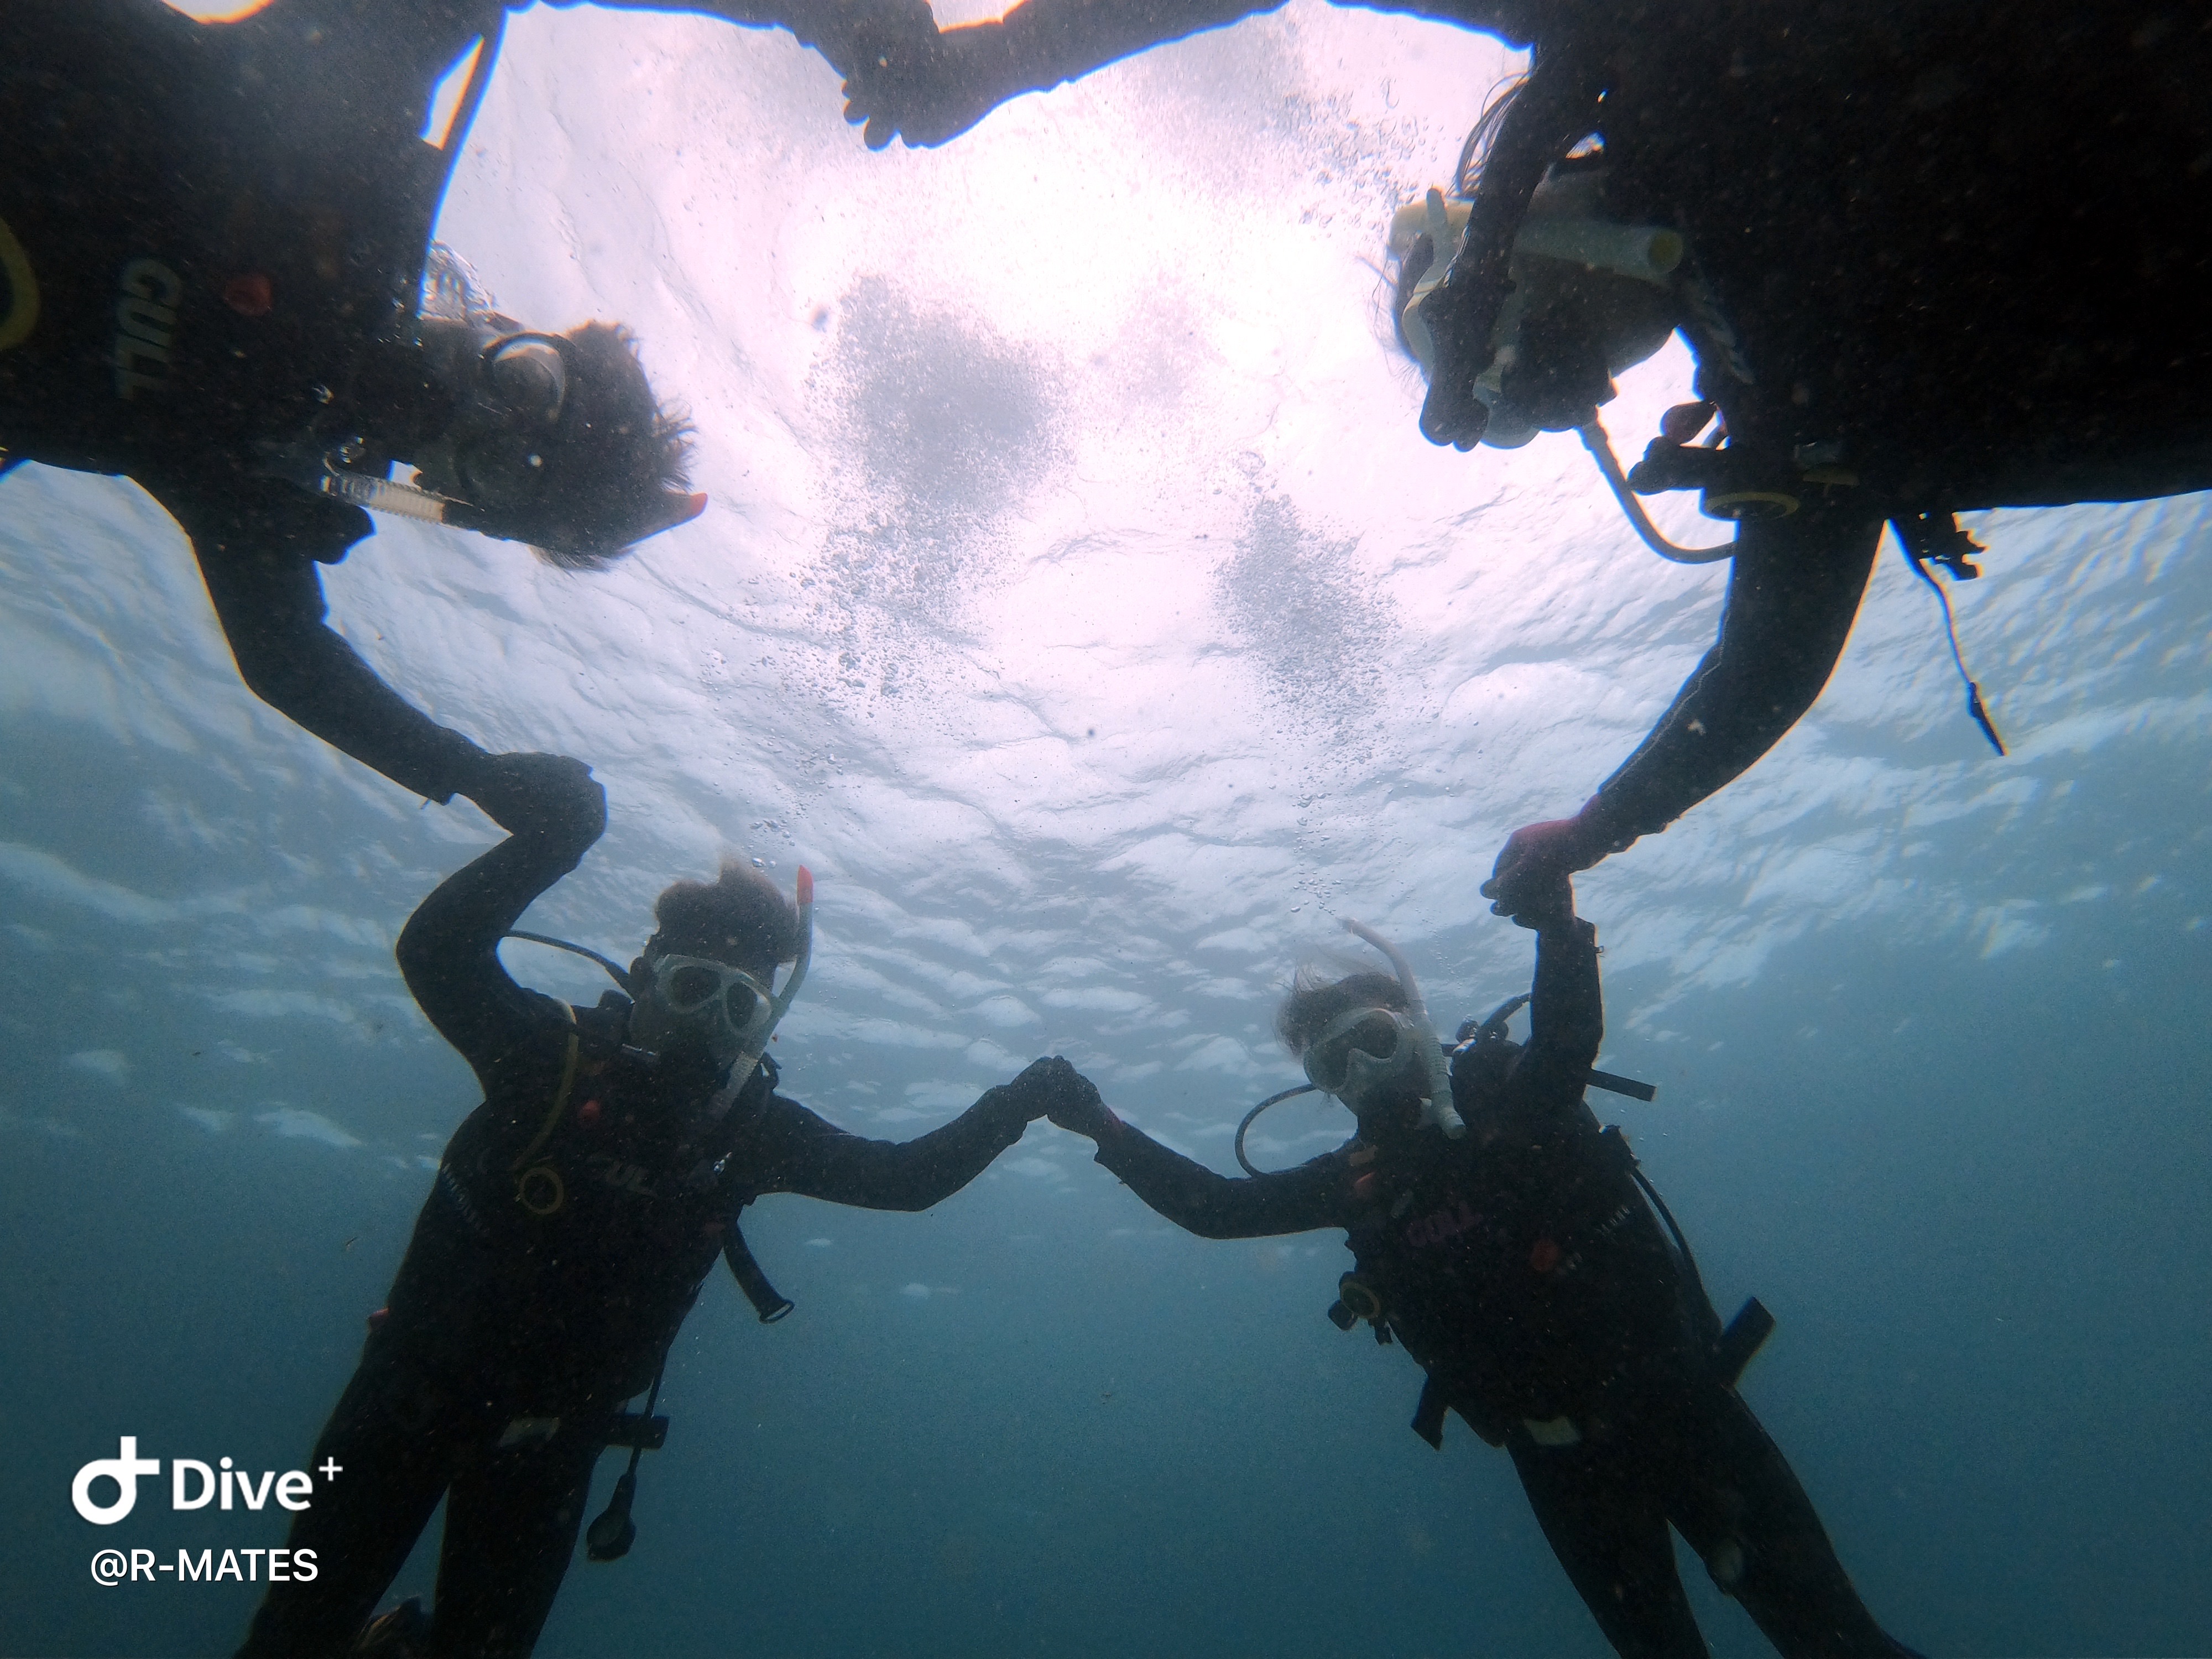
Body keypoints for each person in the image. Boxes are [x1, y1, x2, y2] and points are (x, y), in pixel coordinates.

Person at [830, 0, 2212, 914]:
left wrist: (992, 62)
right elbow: (1764, 670)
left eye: (1462, 334)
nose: (1505, 378)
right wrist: (1592, 828)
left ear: (1500, 216)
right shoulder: (1790, 426)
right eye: (1487, 390)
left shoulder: (1667, 47)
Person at [1, 0, 937, 828]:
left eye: (491, 461)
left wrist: (470, 775)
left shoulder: (251, 462)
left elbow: (286, 660)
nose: (462, 412)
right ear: (511, 324)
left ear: (452, 499)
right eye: (527, 386)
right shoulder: (340, 143)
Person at [236, 751, 1089, 1656]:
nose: (704, 1026)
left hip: (549, 1451)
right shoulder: (545, 1063)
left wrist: (1022, 1099)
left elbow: (903, 1180)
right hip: (401, 1412)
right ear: (644, 977)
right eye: (688, 989)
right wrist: (556, 840)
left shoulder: (747, 1131)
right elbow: (435, 952)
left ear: (762, 1025)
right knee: (291, 1641)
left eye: (736, 1008)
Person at [1036, 877, 1920, 1658]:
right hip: (1564, 1474)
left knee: (1843, 1646)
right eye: (1334, 1063)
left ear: (1415, 1029)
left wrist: (1556, 920)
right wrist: (1099, 1125)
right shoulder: (1360, 1185)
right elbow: (1216, 1211)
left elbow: (1569, 1039)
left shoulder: (1512, 1098)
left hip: (1685, 1411)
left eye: (1374, 1040)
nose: (1362, 1072)